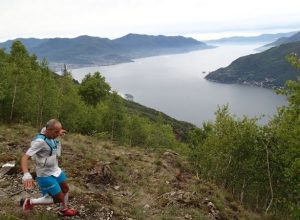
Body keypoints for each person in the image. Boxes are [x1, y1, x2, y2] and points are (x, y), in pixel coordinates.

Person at [20, 119, 78, 216]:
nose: (58, 134)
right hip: (45, 174)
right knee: (58, 198)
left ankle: (63, 210)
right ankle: (29, 202)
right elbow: (25, 157)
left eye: (59, 131)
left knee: (65, 189)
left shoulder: (47, 131)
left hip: (55, 170)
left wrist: (59, 131)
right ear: (49, 130)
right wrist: (26, 174)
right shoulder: (40, 142)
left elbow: (51, 127)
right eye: (56, 132)